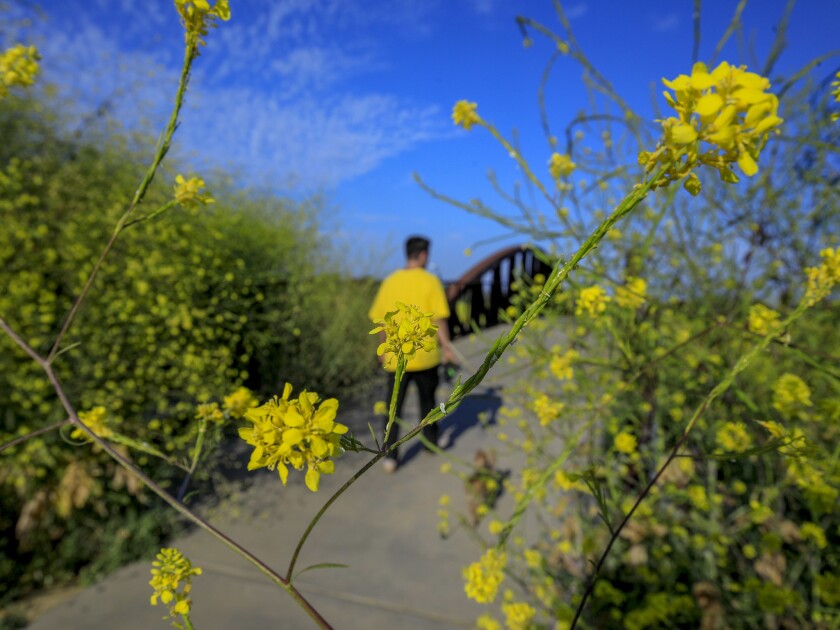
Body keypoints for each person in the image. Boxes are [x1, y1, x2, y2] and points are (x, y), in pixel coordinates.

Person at [368, 235, 456, 472]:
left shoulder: (390, 281)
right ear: (424, 254)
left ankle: (390, 456)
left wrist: (383, 350)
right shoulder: (431, 282)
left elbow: (380, 319)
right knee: (428, 404)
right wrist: (447, 349)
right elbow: (439, 318)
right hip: (425, 356)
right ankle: (430, 443)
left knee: (392, 407)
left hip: (396, 356)